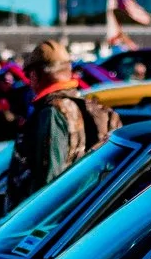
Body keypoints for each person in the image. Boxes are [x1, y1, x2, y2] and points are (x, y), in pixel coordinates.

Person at [11, 40, 115, 205]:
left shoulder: (51, 112)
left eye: (29, 75)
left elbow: (50, 179)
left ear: (35, 75)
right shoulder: (84, 105)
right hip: (81, 211)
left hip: (51, 218)